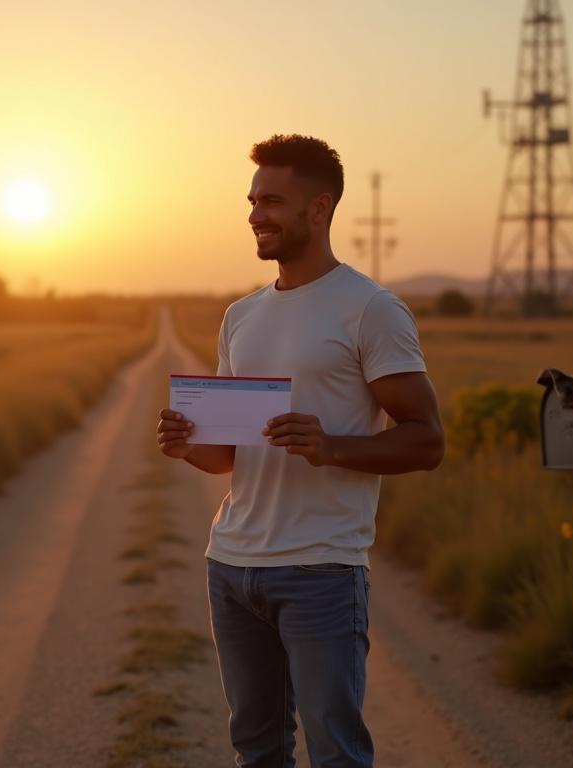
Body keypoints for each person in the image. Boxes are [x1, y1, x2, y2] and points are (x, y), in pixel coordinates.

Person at [156, 134, 445, 768]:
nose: (256, 214)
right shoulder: (241, 316)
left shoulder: (371, 309)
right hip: (230, 565)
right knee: (256, 750)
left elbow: (427, 440)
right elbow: (229, 457)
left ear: (320, 208)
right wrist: (188, 446)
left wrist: (332, 446)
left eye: (273, 201)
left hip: (321, 568)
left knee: (335, 753)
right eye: (252, 200)